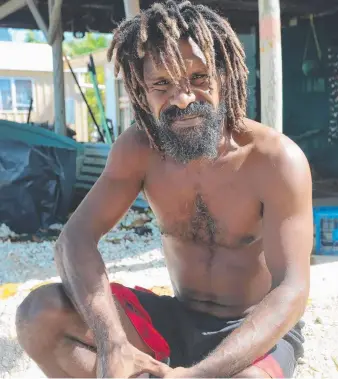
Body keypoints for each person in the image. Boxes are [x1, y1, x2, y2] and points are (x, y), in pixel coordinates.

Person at [15, 1, 313, 378]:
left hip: (251, 327)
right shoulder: (138, 151)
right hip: (175, 319)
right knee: (38, 314)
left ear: (225, 75)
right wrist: (113, 345)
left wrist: (197, 375)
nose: (183, 99)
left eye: (199, 78)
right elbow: (74, 240)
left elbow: (292, 291)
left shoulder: (275, 159)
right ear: (142, 91)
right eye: (162, 84)